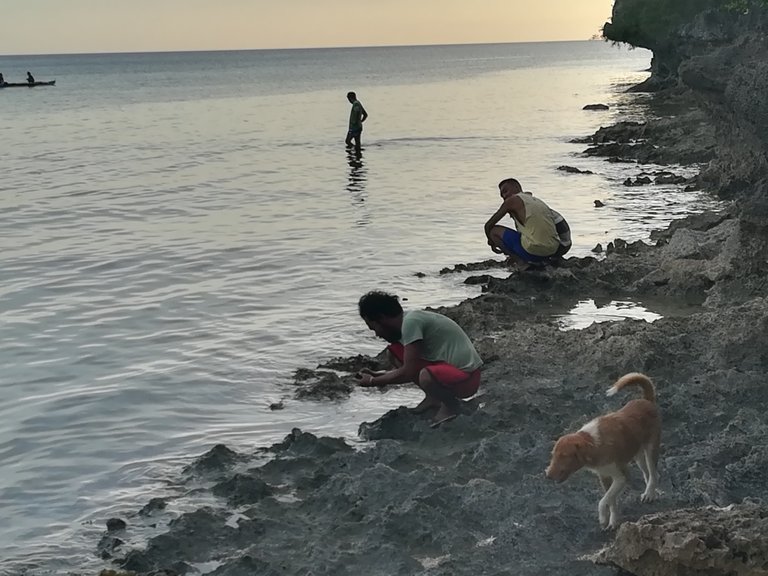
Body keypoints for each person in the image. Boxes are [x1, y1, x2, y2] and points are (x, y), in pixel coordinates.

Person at [357, 291, 483, 427]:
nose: (377, 334)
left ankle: (451, 406)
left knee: (426, 376)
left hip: (467, 379)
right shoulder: (408, 321)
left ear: (381, 317)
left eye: (374, 328)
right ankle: (433, 398)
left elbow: (409, 372)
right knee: (393, 352)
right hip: (449, 372)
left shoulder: (411, 323)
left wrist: (372, 381)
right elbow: (411, 364)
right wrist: (379, 374)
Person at [484, 177, 562, 270]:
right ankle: (540, 261)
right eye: (502, 195)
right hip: (553, 250)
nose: (504, 196)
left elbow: (488, 225)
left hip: (534, 251)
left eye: (505, 191)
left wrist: (491, 242)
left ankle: (521, 262)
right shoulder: (536, 200)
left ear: (516, 187)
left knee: (493, 231)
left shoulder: (511, 201)